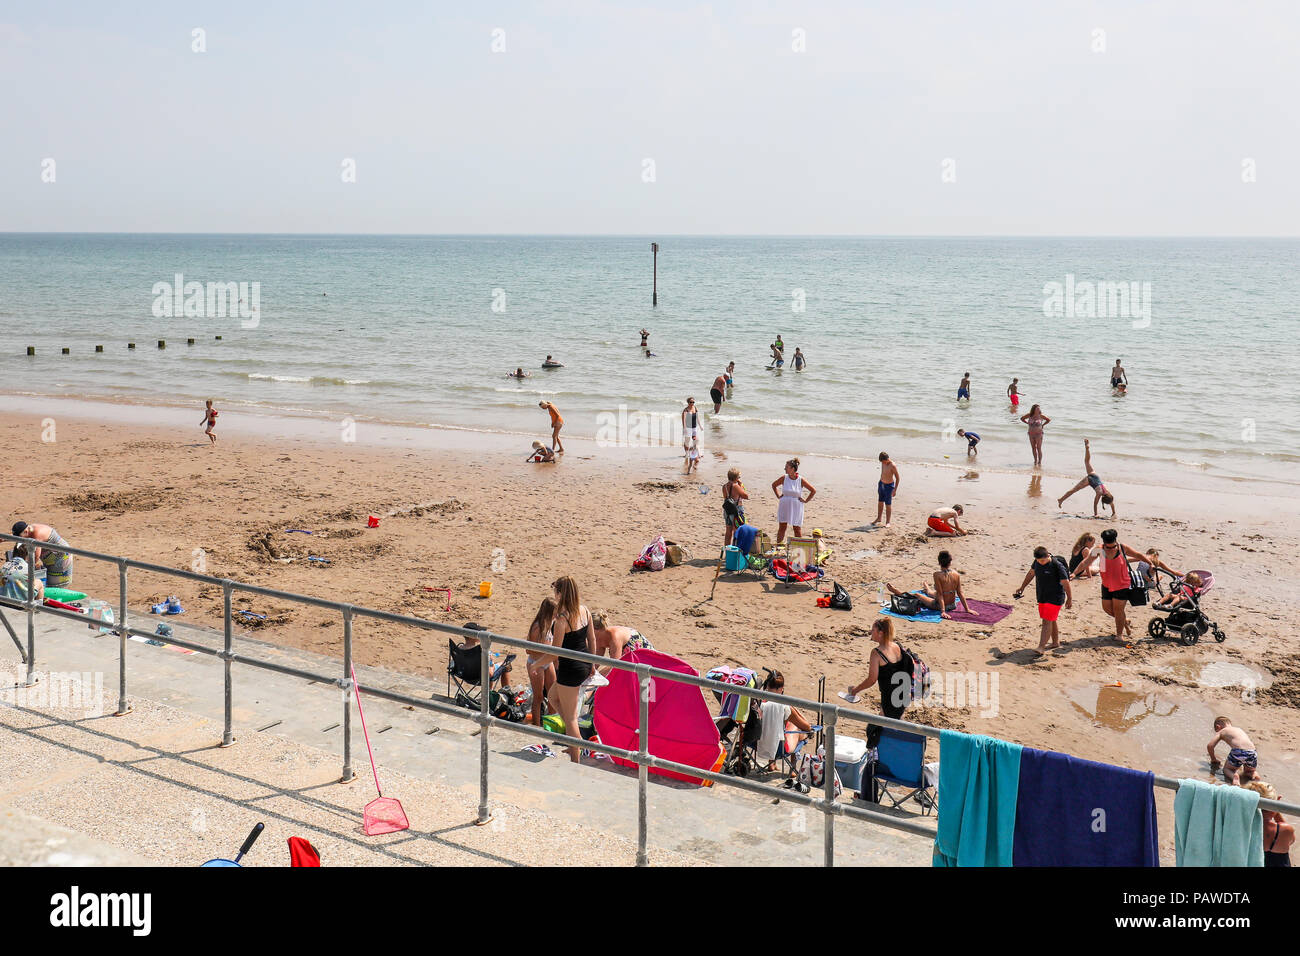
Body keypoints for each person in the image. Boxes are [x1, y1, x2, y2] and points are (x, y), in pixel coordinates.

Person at [529, 577, 594, 762]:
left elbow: (554, 652)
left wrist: (536, 664)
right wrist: (592, 664)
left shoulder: (561, 619)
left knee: (572, 717)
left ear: (560, 593)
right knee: (553, 696)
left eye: (555, 591)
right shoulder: (585, 610)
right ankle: (575, 742)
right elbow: (592, 640)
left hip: (570, 669)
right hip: (583, 663)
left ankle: (576, 756)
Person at [839, 618, 912, 747]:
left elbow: (872, 679)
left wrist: (855, 690)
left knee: (876, 730)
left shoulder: (876, 653)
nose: (870, 632)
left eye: (873, 630)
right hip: (903, 693)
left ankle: (879, 756)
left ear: (880, 632)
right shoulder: (897, 646)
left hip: (890, 697)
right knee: (894, 725)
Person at [1070, 527, 1146, 641]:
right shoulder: (1099, 550)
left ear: (1115, 540)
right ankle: (1125, 621)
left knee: (1118, 610)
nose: (1110, 548)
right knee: (1107, 609)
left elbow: (1138, 554)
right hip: (1106, 584)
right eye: (1107, 546)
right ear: (1104, 542)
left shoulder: (1122, 548)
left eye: (1112, 546)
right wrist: (1074, 573)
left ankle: (1119, 635)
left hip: (1122, 584)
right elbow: (1086, 561)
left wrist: (1150, 562)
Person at [1014, 546, 1073, 654]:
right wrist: (1022, 587)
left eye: (1043, 560)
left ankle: (1041, 647)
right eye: (1038, 561)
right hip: (1042, 596)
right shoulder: (1036, 562)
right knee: (1051, 619)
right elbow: (1031, 573)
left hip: (1055, 597)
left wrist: (1069, 598)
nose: (1041, 563)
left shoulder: (1057, 565)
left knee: (1046, 621)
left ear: (1048, 556)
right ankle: (1055, 642)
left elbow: (1066, 582)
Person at [754, 670, 814, 775]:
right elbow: (806, 726)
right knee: (798, 729)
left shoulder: (758, 701)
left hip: (757, 744)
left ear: (767, 685)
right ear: (781, 689)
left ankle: (771, 764)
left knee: (774, 724)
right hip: (780, 749)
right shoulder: (784, 706)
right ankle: (793, 769)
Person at [886, 550, 970, 619]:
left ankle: (898, 592)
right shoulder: (956, 574)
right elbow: (960, 593)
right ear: (950, 562)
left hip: (940, 605)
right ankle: (927, 589)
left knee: (917, 595)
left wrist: (943, 611)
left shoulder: (937, 575)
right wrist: (967, 609)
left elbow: (940, 594)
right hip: (952, 605)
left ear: (939, 562)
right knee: (932, 593)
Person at [1057, 439, 1115, 517]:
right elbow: (1095, 504)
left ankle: (1087, 448)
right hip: (1089, 480)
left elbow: (1111, 502)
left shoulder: (1108, 493)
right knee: (1074, 490)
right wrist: (1096, 514)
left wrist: (1114, 512)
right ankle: (1061, 500)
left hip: (1095, 475)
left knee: (1087, 462)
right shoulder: (1100, 493)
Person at [523, 597, 558, 726]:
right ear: (549, 612)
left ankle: (550, 723)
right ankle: (537, 726)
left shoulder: (552, 624)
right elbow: (529, 650)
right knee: (538, 697)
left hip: (547, 662)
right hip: (536, 662)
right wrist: (547, 651)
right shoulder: (538, 627)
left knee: (552, 695)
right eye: (555, 611)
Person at [1243, 781, 1293, 868]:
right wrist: (1276, 809)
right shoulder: (1285, 829)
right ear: (1277, 802)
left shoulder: (1242, 826)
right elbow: (1291, 841)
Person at [10, 521, 74, 588]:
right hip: (50, 557)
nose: (19, 541)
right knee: (48, 581)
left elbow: (36, 557)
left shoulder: (37, 534)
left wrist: (25, 569)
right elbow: (20, 537)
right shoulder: (28, 530)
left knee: (56, 583)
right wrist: (5, 539)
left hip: (61, 556)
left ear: (26, 532)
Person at [590, 609, 652, 676]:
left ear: (595, 630)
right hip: (628, 658)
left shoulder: (614, 636)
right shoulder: (598, 636)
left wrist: (598, 677)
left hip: (644, 654)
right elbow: (596, 661)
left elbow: (615, 665)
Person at [772, 458, 815, 544]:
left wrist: (806, 500)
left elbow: (813, 490)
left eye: (786, 467)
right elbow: (774, 485)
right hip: (784, 504)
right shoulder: (784, 478)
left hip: (796, 506)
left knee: (797, 528)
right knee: (782, 527)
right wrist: (778, 496)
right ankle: (779, 545)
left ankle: (799, 547)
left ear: (793, 469)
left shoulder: (800, 480)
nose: (785, 468)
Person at [1207, 717, 1258, 785]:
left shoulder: (1222, 731)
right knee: (1249, 771)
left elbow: (1210, 746)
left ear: (1218, 726)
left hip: (1239, 751)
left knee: (1227, 769)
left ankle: (1234, 777)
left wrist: (1213, 759)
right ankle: (1254, 776)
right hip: (1252, 752)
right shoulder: (1239, 729)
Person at [722, 468, 749, 546]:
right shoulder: (735, 486)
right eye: (739, 477)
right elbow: (745, 496)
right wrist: (741, 486)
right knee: (737, 531)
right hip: (736, 510)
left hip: (727, 510)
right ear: (736, 478)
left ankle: (727, 550)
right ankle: (735, 550)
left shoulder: (724, 486)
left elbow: (726, 497)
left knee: (728, 531)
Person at [874, 452, 900, 527]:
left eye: (883, 461)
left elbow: (898, 478)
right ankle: (879, 518)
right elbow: (883, 473)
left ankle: (888, 522)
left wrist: (895, 490)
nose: (882, 463)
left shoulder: (893, 466)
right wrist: (880, 482)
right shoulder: (883, 463)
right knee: (880, 502)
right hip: (881, 484)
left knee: (888, 504)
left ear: (886, 459)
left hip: (889, 486)